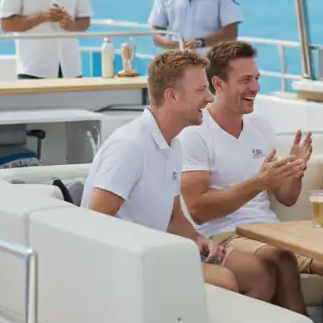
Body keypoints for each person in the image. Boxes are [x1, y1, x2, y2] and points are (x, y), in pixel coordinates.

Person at [178, 41, 323, 323]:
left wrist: (293, 171)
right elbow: (198, 208)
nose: (255, 87)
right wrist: (260, 182)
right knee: (281, 258)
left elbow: (287, 198)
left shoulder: (261, 127)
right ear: (218, 84)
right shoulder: (196, 134)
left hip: (271, 232)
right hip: (225, 233)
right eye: (246, 81)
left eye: (257, 78)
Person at [81, 49, 275, 301]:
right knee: (225, 281)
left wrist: (198, 239)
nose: (208, 98)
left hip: (160, 252)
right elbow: (94, 222)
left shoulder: (173, 144)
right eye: (200, 91)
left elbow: (173, 217)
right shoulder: (131, 147)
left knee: (259, 273)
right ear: (172, 96)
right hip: (128, 261)